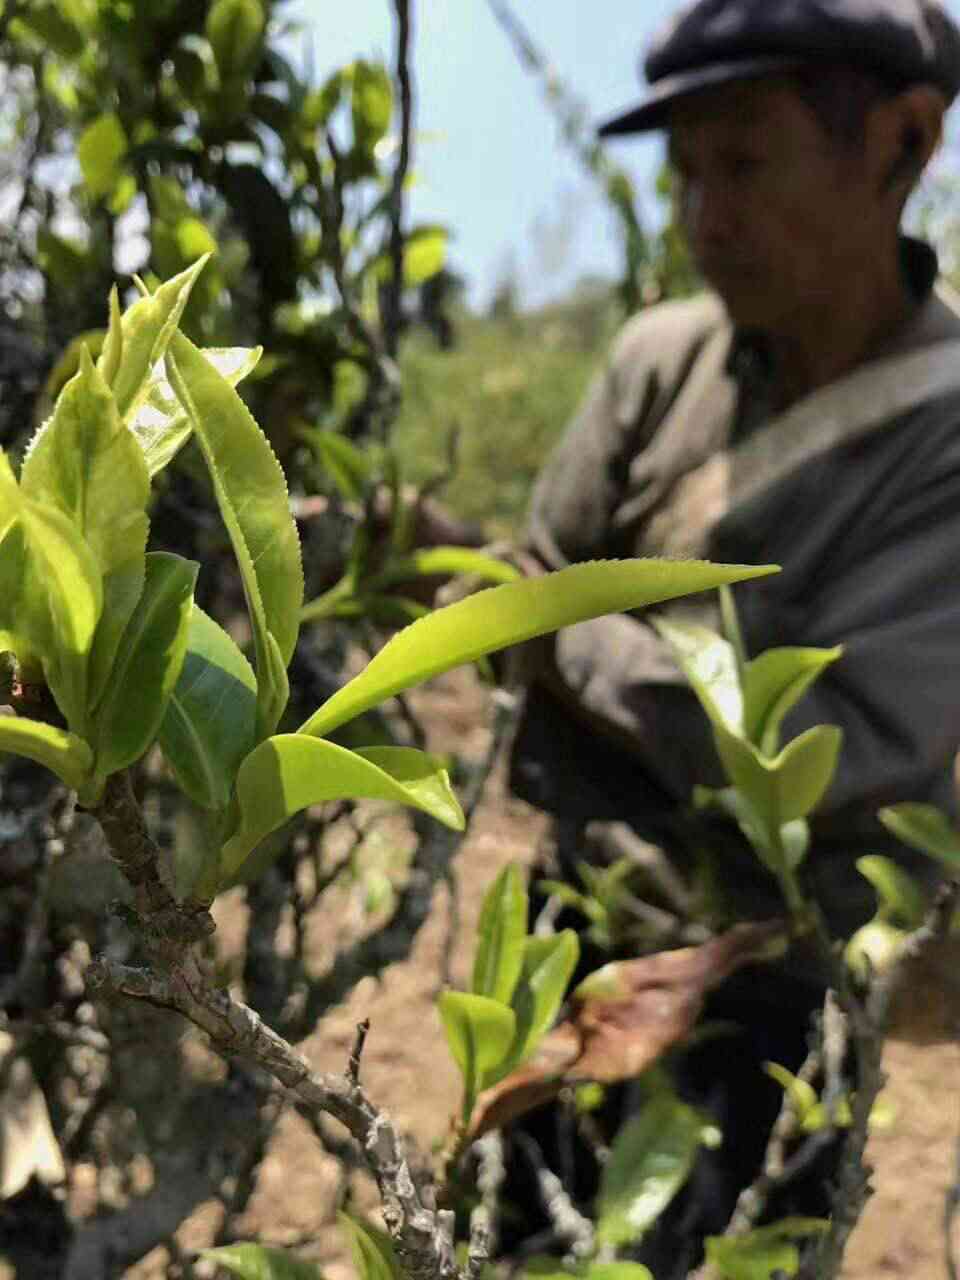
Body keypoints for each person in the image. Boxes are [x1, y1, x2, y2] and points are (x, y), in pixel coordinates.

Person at [505, 0, 960, 1273]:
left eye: (745, 161)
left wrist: (566, 644)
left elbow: (838, 745)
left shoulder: (946, 433)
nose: (705, 218)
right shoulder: (660, 363)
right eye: (685, 172)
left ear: (903, 144)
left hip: (773, 997)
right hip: (571, 947)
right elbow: (530, 586)